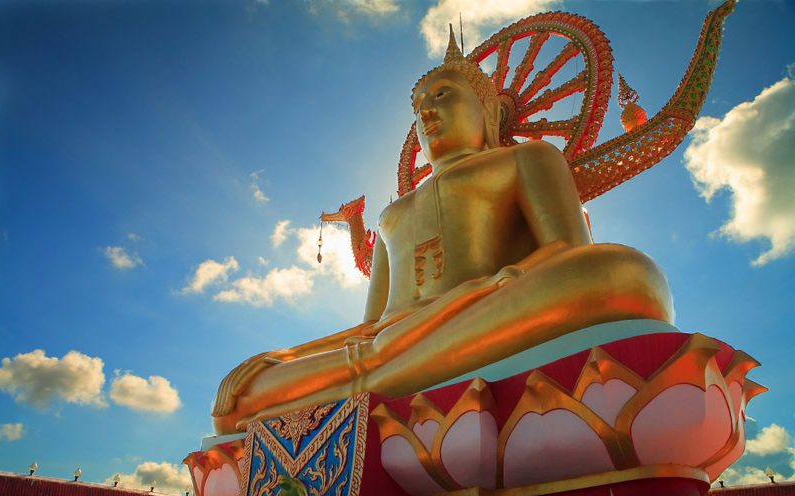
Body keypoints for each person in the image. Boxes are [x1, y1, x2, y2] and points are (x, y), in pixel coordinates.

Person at [212, 27, 672, 435]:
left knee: (621, 274)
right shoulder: (392, 214)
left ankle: (369, 387)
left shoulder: (527, 158)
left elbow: (568, 252)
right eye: (418, 106)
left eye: (443, 95)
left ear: (489, 111)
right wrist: (286, 357)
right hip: (389, 345)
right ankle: (373, 382)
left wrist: (486, 288)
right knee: (239, 399)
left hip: (475, 316)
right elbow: (370, 326)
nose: (426, 113)